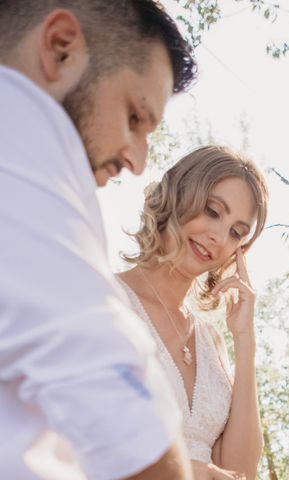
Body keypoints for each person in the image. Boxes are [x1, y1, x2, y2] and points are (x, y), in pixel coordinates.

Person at [0, 1, 200, 479]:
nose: (136, 161)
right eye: (134, 117)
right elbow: (121, 421)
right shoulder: (24, 135)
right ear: (61, 47)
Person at [117, 146, 268, 480]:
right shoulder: (105, 300)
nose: (217, 237)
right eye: (213, 211)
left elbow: (241, 471)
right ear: (180, 194)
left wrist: (245, 342)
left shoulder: (211, 342)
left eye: (236, 233)